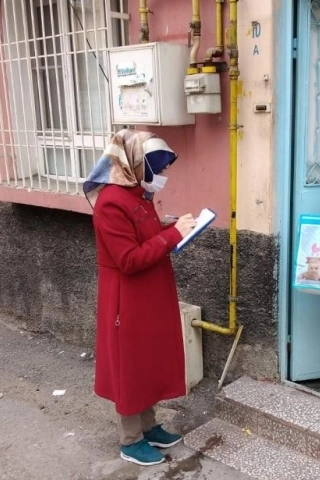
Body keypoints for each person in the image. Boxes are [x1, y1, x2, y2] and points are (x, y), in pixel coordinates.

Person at [83, 129, 197, 466]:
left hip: (150, 292)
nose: (162, 175)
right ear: (135, 165)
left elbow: (147, 236)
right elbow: (129, 259)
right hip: (127, 298)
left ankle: (148, 427)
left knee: (148, 359)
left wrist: (173, 228)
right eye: (157, 168)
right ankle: (130, 440)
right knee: (130, 364)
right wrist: (171, 235)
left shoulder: (138, 196)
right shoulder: (111, 202)